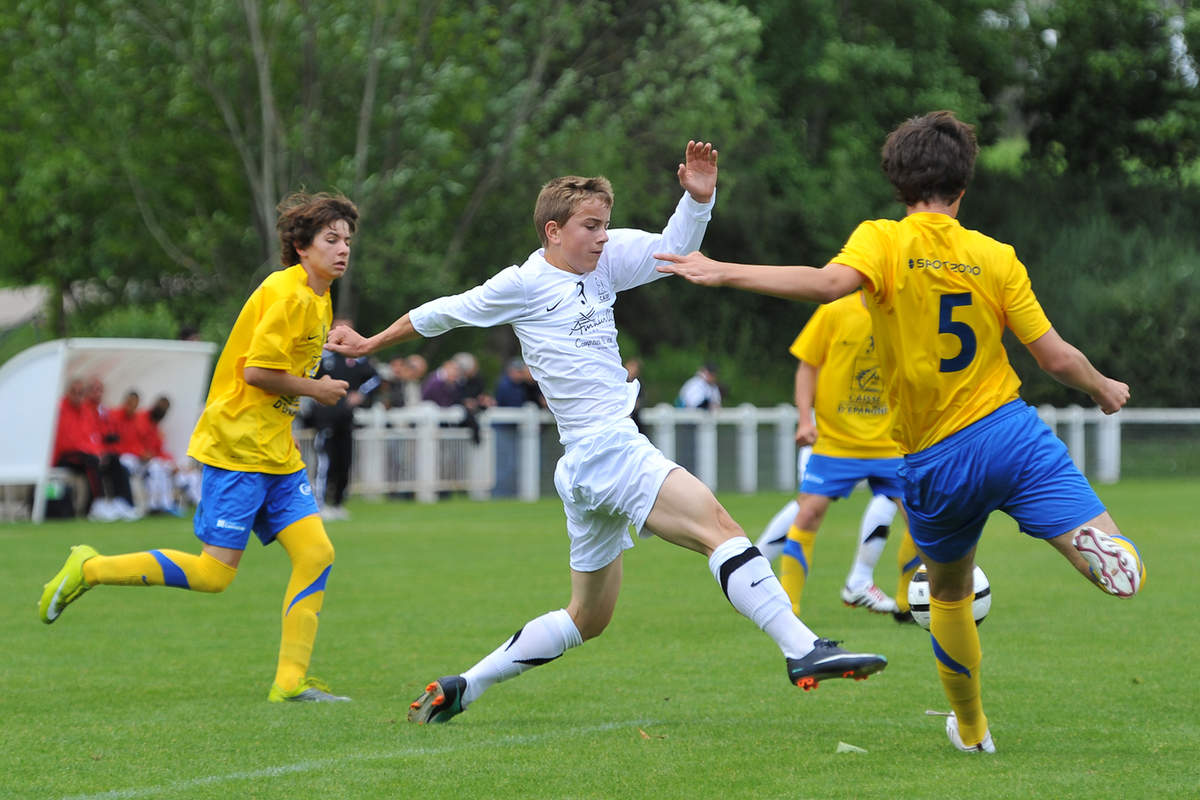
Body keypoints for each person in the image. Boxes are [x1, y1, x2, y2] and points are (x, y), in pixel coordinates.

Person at [327, 140, 887, 725]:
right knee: (719, 527)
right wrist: (369, 343)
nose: (601, 236)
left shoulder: (607, 259)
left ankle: (467, 682)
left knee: (587, 619)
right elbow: (441, 312)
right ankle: (802, 649)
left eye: (605, 225)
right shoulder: (522, 284)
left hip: (587, 466)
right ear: (552, 231)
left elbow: (675, 252)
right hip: (604, 450)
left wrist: (698, 200)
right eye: (590, 226)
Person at [655, 111, 1145, 753]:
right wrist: (1103, 387)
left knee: (945, 595)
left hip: (938, 458)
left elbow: (827, 285)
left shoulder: (883, 240)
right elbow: (1053, 357)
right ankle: (1110, 553)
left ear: (896, 181)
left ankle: (971, 730)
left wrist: (722, 269)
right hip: (1011, 431)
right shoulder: (995, 257)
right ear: (964, 187)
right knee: (1092, 537)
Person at [38, 191, 359, 704]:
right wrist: (316, 387)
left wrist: (330, 343)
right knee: (213, 575)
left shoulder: (317, 297)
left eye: (347, 240)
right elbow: (256, 372)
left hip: (275, 452)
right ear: (301, 246)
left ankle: (289, 682)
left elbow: (288, 356)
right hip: (237, 448)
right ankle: (90, 567)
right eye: (331, 239)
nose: (343, 249)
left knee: (318, 553)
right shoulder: (286, 293)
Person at [754, 296, 921, 620]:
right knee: (808, 513)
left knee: (919, 517)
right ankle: (789, 606)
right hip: (836, 441)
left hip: (890, 441)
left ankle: (906, 602)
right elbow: (807, 365)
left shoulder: (908, 310)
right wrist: (805, 419)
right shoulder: (833, 311)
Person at [309, 321, 381, 521]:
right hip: (326, 418)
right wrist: (315, 392)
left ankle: (338, 503)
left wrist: (361, 394)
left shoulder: (358, 358)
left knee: (344, 461)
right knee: (325, 461)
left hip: (346, 418)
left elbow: (375, 378)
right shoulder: (323, 356)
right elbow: (306, 376)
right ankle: (319, 504)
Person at [491, 357, 544, 498]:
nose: (520, 375)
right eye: (518, 371)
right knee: (504, 464)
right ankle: (501, 495)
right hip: (503, 429)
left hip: (515, 430)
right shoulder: (506, 385)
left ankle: (512, 493)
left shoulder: (523, 385)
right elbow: (516, 405)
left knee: (514, 464)